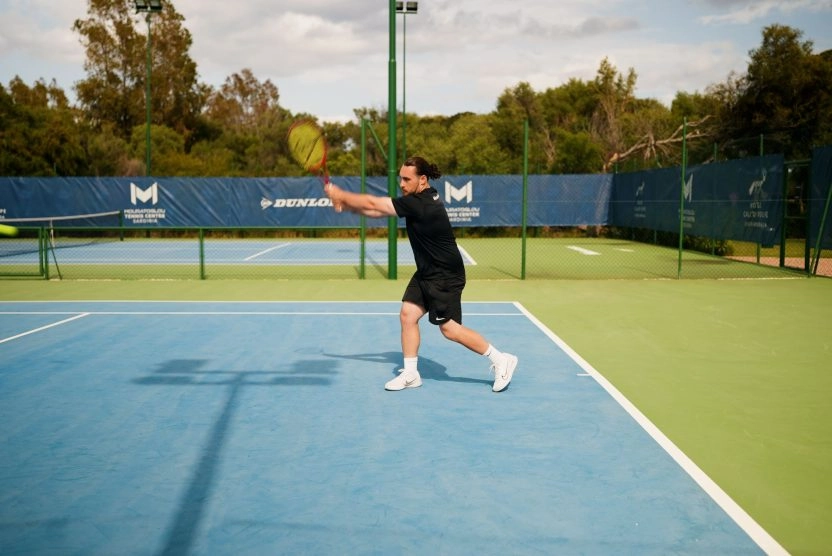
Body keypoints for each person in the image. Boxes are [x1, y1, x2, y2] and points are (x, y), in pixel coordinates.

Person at [324, 156, 518, 393]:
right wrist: (348, 205)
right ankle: (410, 374)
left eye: (407, 179)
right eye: (401, 179)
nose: (402, 184)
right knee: (407, 314)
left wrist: (341, 195)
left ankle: (501, 360)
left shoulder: (421, 204)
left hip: (445, 275)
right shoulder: (421, 198)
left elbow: (375, 204)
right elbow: (377, 212)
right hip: (427, 271)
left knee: (450, 329)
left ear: (422, 180)